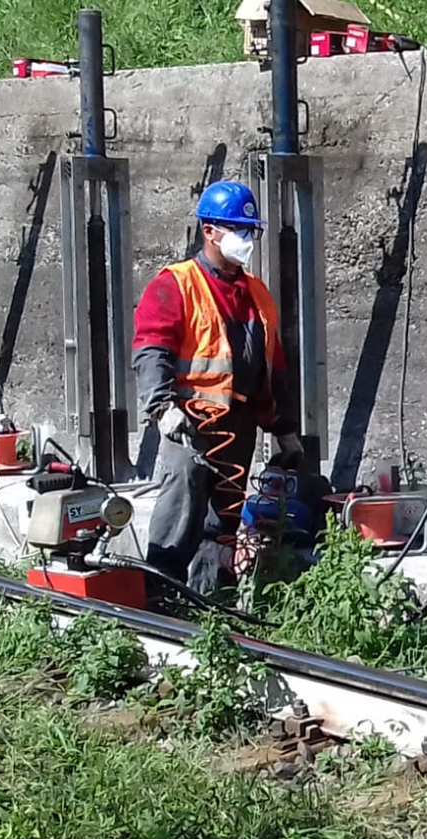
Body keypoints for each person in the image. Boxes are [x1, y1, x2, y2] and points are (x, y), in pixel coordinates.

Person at [131, 180, 302, 596]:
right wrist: (161, 407)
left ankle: (211, 601)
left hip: (238, 424)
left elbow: (271, 367)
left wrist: (283, 427)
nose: (246, 240)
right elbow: (151, 350)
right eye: (238, 230)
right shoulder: (176, 284)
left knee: (223, 521)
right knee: (183, 498)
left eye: (250, 231)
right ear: (210, 231)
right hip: (188, 422)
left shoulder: (256, 294)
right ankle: (161, 594)